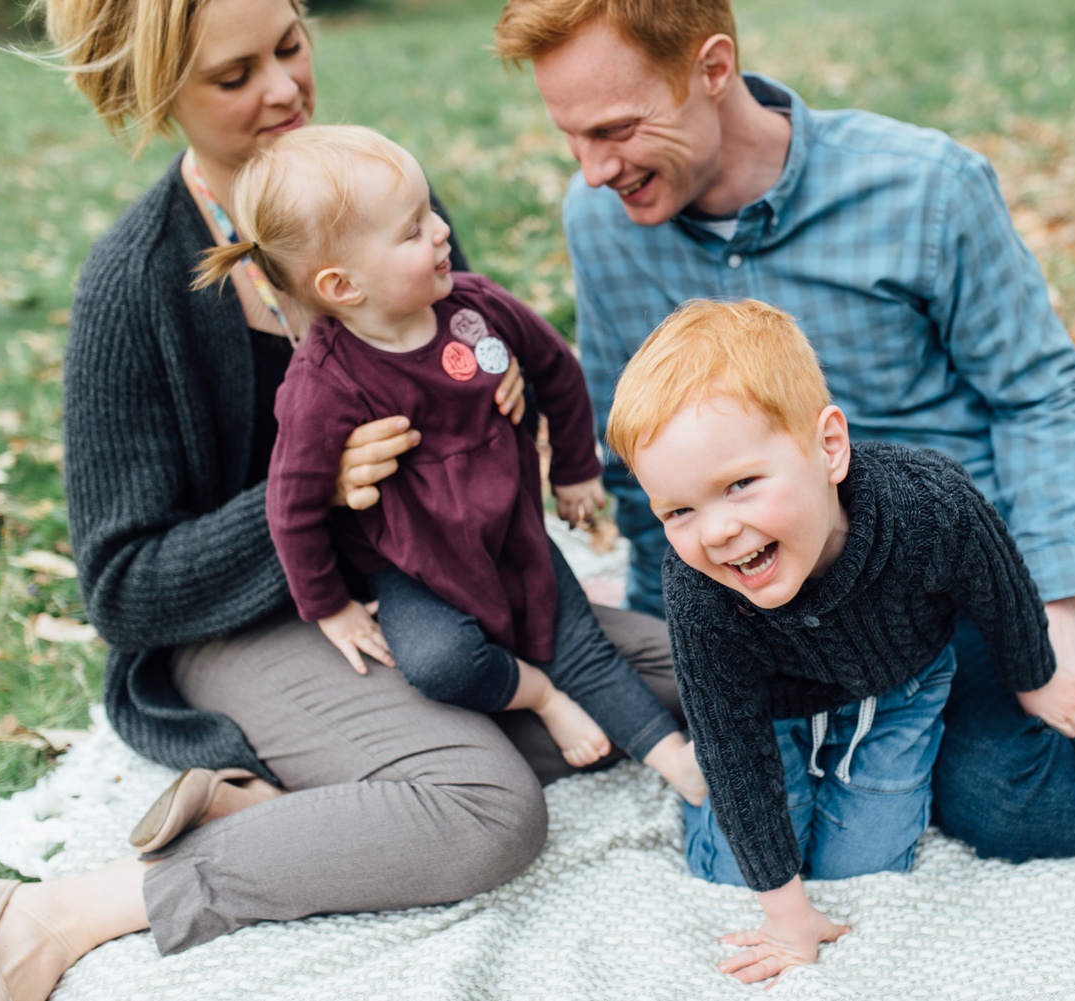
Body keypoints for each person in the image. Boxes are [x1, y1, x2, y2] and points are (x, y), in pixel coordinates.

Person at [493, 0, 1075, 978]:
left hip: (1014, 505)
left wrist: (1055, 598)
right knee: (997, 791)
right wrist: (680, 645)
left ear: (711, 67)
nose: (592, 167)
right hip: (878, 590)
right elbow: (639, 456)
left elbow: (1039, 393)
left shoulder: (923, 185)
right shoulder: (604, 223)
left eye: (616, 129)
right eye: (570, 136)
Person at [0, 1, 681, 998]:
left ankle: (276, 805)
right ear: (165, 94)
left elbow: (471, 337)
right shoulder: (136, 286)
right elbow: (122, 590)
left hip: (433, 579)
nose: (285, 88)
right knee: (486, 805)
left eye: (290, 47)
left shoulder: (372, 191)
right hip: (243, 622)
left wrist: (501, 384)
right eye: (235, 75)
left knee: (682, 670)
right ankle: (64, 909)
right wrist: (314, 491)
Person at [192, 124, 703, 791]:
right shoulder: (323, 384)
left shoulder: (476, 307)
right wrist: (330, 605)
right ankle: (538, 696)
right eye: (411, 231)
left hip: (512, 536)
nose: (439, 231)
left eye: (428, 210)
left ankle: (676, 762)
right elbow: (292, 506)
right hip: (414, 567)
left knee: (582, 643)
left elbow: (556, 370)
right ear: (342, 286)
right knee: (442, 663)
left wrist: (576, 468)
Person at [607, 298, 1060, 974]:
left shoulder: (928, 504)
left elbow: (1000, 584)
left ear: (829, 447)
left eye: (740, 484)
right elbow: (734, 741)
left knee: (866, 868)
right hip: (770, 713)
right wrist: (787, 914)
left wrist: (1035, 678)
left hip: (899, 685)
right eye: (680, 509)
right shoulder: (699, 586)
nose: (716, 531)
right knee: (742, 875)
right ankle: (719, 806)